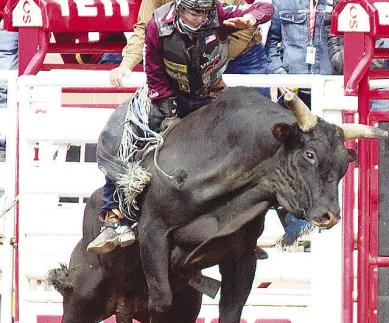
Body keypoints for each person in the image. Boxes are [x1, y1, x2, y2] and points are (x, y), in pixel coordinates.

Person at [87, 0, 274, 254]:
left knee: (252, 138)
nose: (199, 19)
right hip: (169, 93)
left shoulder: (217, 14)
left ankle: (245, 226)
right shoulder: (158, 23)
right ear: (179, 9)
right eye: (193, 13)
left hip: (209, 93)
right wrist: (167, 107)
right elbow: (153, 71)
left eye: (203, 13)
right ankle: (114, 218)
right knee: (122, 135)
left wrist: (252, 18)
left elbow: (264, 8)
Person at [264, 0, 335, 248]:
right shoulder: (281, 2)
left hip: (328, 90)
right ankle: (296, 227)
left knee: (326, 163)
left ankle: (325, 224)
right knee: (287, 162)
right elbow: (271, 43)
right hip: (293, 93)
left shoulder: (340, 2)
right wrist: (279, 73)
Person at [109, 0, 270, 87]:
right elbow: (144, 28)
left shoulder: (219, 11)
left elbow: (258, 10)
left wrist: (251, 18)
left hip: (243, 57)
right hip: (195, 61)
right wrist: (126, 65)